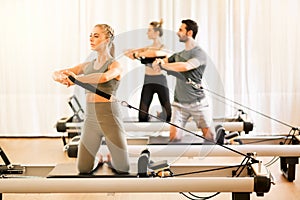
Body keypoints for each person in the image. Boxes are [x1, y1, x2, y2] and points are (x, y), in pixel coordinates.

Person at [52, 24, 130, 174]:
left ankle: (110, 159)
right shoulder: (87, 65)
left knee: (123, 168)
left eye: (96, 36)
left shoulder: (115, 64)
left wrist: (77, 79)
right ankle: (101, 158)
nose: (91, 39)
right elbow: (59, 72)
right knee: (83, 169)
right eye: (90, 35)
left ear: (107, 40)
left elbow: (104, 77)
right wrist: (59, 77)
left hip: (110, 119)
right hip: (91, 120)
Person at [153, 19, 215, 142]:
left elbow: (186, 66)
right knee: (174, 137)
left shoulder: (199, 53)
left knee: (210, 137)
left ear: (190, 33)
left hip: (198, 103)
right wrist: (158, 62)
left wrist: (163, 65)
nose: (177, 32)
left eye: (181, 30)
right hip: (179, 104)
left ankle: (227, 141)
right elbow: (165, 60)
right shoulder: (179, 54)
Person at [124, 19, 172, 122]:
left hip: (161, 81)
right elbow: (127, 53)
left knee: (169, 116)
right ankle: (153, 119)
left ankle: (161, 115)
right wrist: (134, 52)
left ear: (157, 32)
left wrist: (139, 53)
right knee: (142, 117)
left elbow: (155, 54)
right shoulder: (147, 48)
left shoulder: (164, 48)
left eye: (149, 30)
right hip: (148, 81)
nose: (147, 33)